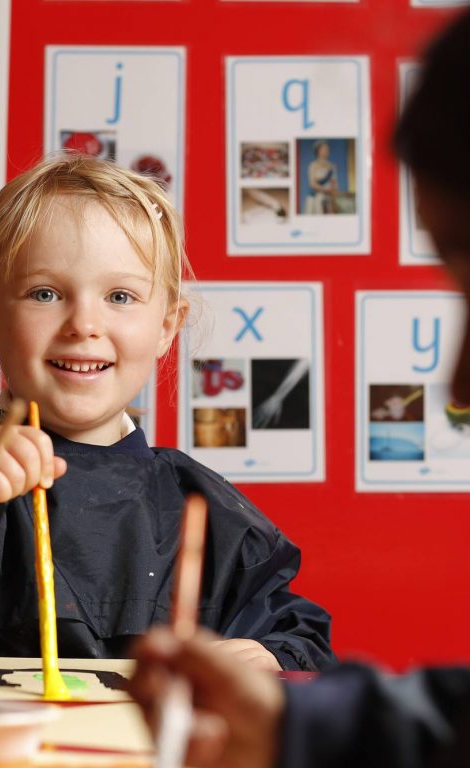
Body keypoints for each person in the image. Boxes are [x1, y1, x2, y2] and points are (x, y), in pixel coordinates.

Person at [128, 10, 470, 767]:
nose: (458, 380)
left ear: (168, 325)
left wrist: (273, 670)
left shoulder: (201, 501)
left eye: (122, 297)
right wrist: (296, 728)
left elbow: (296, 628)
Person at [0, 153, 334, 668]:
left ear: (168, 326)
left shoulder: (206, 515)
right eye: (45, 293)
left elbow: (301, 639)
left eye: (120, 296)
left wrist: (271, 657)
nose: (83, 323)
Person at [304, 140, 338, 215]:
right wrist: (325, 190)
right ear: (318, 150)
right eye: (324, 149)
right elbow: (312, 184)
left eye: (327, 149)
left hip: (328, 198)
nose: (326, 151)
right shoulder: (313, 165)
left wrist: (331, 190)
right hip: (314, 197)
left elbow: (334, 182)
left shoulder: (332, 166)